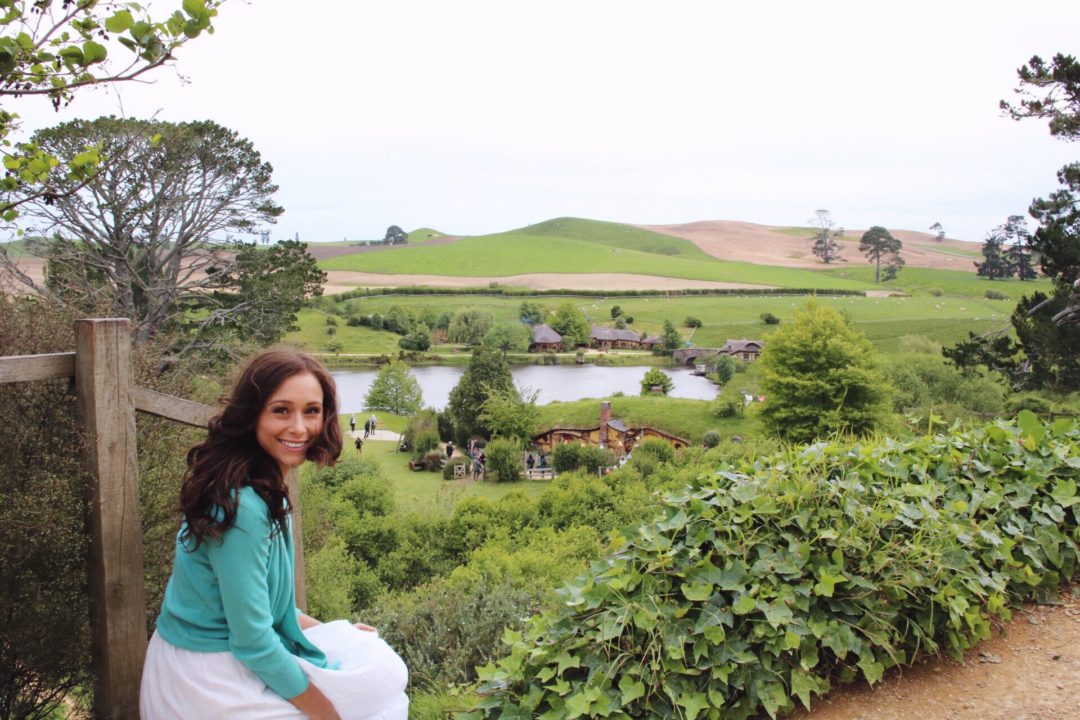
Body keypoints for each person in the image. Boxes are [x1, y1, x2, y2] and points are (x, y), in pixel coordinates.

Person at [140, 349, 408, 720]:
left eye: (311, 411)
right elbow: (253, 642)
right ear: (252, 415)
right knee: (382, 700)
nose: (299, 428)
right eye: (281, 410)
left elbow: (261, 605)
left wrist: (337, 633)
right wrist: (328, 716)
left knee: (380, 669)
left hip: (214, 660)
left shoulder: (259, 487)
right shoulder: (243, 509)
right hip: (204, 680)